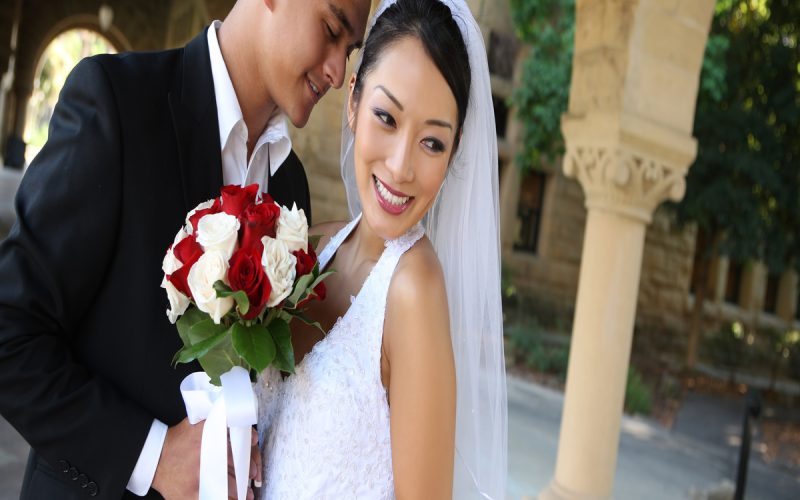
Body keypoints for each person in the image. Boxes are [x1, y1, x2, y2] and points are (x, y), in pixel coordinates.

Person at [0, 0, 369, 498]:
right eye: (330, 30)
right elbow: (9, 329)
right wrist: (152, 457)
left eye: (350, 50)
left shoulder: (290, 187)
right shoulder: (117, 101)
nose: (336, 69)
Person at [255, 0, 507, 497]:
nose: (400, 166)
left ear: (454, 152)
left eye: (432, 143)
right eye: (387, 117)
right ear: (353, 101)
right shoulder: (310, 246)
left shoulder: (414, 290)